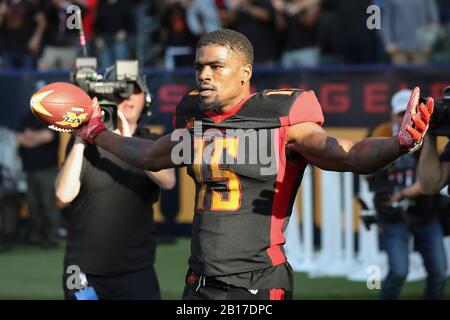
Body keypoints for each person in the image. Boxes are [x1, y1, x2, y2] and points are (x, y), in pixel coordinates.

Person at [74, 29, 433, 300]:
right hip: (198, 281)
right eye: (200, 66)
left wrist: (399, 144)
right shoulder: (194, 117)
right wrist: (96, 132)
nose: (204, 75)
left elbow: (348, 154)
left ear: (244, 72)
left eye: (216, 66)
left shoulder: (280, 116)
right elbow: (148, 155)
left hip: (256, 282)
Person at [55, 75, 176, 300]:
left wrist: (129, 139)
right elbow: (63, 194)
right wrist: (82, 137)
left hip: (136, 271)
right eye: (120, 92)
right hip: (81, 271)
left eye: (134, 90)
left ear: (146, 98)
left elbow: (168, 181)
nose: (127, 97)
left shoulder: (151, 142)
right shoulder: (85, 144)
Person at [367, 89, 447, 300]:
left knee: (439, 272)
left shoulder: (428, 134)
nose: (406, 118)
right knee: (399, 272)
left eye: (410, 113)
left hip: (424, 211)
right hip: (393, 214)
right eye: (401, 112)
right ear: (392, 114)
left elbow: (433, 180)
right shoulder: (379, 134)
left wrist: (403, 194)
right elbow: (370, 174)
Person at [17, 82, 59, 248]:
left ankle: (51, 236)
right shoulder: (28, 116)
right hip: (30, 168)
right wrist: (35, 138)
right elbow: (19, 137)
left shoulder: (52, 116)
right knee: (33, 204)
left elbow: (48, 136)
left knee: (47, 203)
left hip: (47, 168)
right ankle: (36, 236)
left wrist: (31, 137)